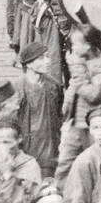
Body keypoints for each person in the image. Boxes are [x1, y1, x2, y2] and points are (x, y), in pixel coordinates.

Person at [57, 24, 101, 183]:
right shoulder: (80, 61)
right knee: (65, 162)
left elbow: (94, 94)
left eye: (76, 44)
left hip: (98, 124)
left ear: (88, 45)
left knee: (100, 164)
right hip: (77, 123)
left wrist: (78, 81)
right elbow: (73, 87)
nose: (73, 47)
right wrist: (67, 104)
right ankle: (59, 194)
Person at [15, 41, 63, 176]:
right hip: (27, 146)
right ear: (29, 64)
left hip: (50, 144)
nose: (48, 61)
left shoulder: (53, 85)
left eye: (48, 57)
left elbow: (59, 113)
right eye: (42, 58)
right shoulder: (17, 87)